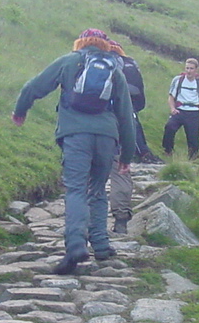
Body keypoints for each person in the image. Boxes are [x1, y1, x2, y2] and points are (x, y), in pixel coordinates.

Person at [12, 28, 135, 274]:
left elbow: (33, 86)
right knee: (97, 189)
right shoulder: (114, 69)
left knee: (77, 189)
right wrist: (127, 155)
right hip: (106, 137)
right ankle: (101, 244)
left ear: (81, 42)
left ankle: (76, 245)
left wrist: (20, 110)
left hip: (76, 135)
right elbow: (126, 114)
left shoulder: (69, 61)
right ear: (104, 45)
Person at [107, 39, 153, 235]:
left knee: (88, 177)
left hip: (87, 129)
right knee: (120, 172)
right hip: (117, 125)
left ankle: (83, 224)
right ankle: (120, 220)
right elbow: (138, 99)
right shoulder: (128, 65)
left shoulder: (82, 63)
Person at [162, 58, 199, 159]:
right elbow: (171, 97)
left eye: (191, 68)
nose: (189, 71)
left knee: (193, 139)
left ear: (196, 70)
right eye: (187, 68)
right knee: (169, 127)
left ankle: (193, 159)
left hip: (193, 113)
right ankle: (168, 151)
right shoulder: (178, 80)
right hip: (179, 111)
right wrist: (172, 109)